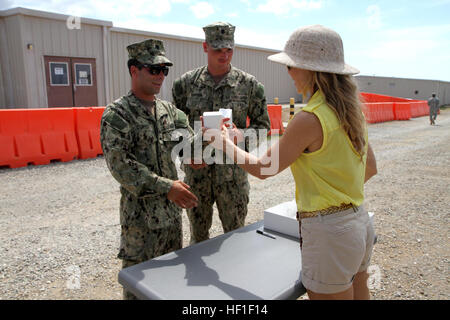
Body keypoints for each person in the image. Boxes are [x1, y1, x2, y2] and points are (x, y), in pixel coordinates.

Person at [205, 25, 378, 300]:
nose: (288, 73)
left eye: (291, 66)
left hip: (330, 233)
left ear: (309, 69)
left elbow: (264, 169)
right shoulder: (350, 112)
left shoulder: (309, 118)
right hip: (358, 222)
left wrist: (223, 143)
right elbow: (370, 168)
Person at [100, 39, 199, 300]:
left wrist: (216, 142)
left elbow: (190, 151)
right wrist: (168, 187)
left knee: (168, 287)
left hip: (170, 220)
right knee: (137, 290)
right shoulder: (117, 114)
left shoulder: (171, 112)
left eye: (164, 70)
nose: (160, 76)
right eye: (153, 70)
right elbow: (121, 166)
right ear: (134, 70)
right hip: (140, 223)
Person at [172, 22, 271, 244]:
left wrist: (241, 136)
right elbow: (176, 128)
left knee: (235, 239)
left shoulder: (250, 85)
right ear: (205, 47)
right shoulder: (185, 85)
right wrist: (186, 155)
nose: (224, 55)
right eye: (218, 49)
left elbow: (263, 127)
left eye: (229, 50)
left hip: (233, 178)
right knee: (198, 239)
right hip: (197, 177)